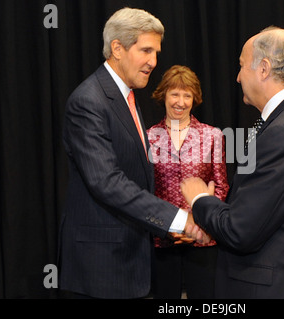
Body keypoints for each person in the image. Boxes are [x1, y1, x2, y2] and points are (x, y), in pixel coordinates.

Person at [58, 7, 207, 299]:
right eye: (146, 51)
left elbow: (137, 175)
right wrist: (179, 219)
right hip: (99, 268)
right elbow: (106, 182)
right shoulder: (88, 101)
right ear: (117, 48)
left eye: (156, 53)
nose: (153, 62)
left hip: (130, 259)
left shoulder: (128, 97)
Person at [180, 27, 284, 299]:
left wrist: (199, 201)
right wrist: (213, 222)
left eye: (241, 66)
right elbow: (261, 211)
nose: (238, 76)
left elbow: (241, 231)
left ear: (263, 69)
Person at [147, 65, 229, 299]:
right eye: (174, 94)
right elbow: (143, 190)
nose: (180, 102)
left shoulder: (212, 135)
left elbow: (221, 186)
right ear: (163, 95)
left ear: (195, 99)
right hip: (163, 239)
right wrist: (164, 225)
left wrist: (200, 224)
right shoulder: (148, 137)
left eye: (187, 95)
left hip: (202, 238)